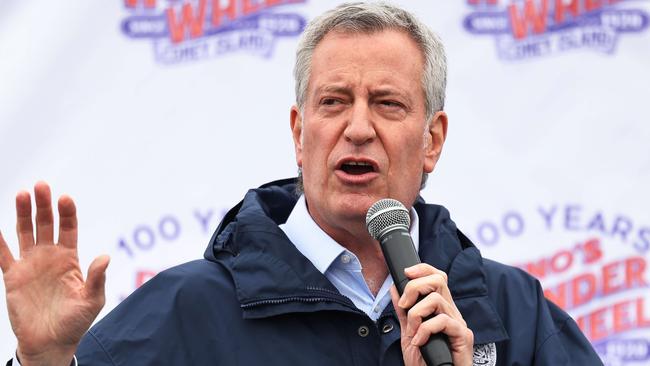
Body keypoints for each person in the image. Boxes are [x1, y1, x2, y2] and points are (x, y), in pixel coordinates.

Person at [0, 2, 602, 366]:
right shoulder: (185, 312)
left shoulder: (510, 312)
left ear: (433, 140)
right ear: (298, 130)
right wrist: (44, 362)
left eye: (388, 104)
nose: (358, 128)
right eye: (334, 101)